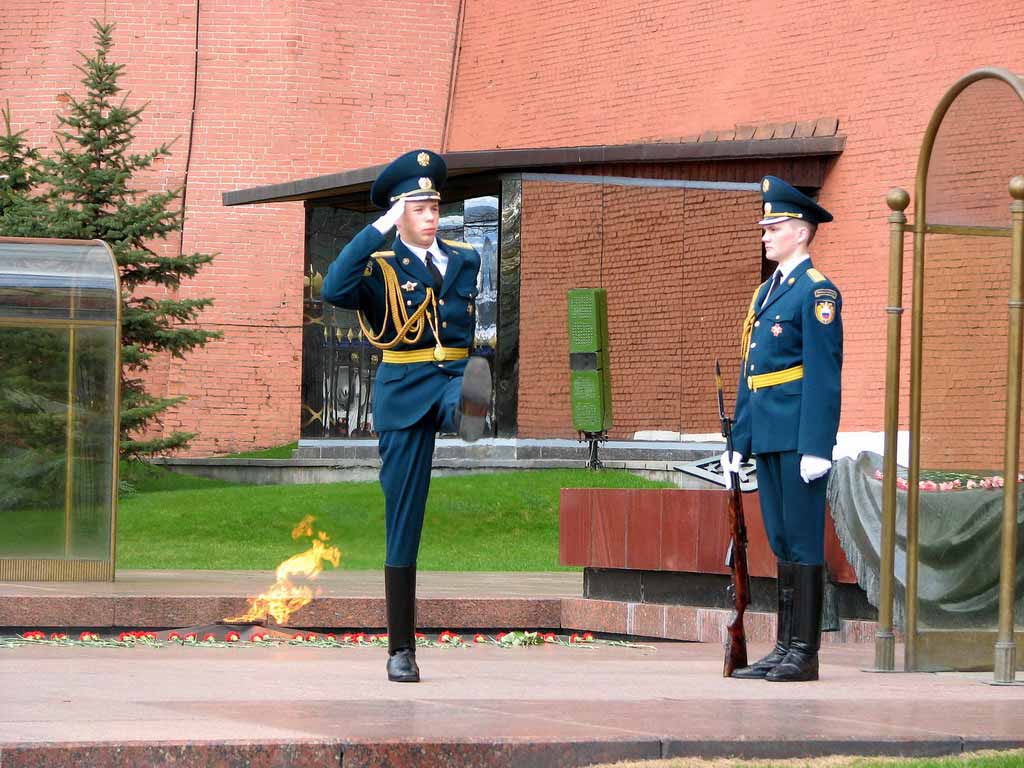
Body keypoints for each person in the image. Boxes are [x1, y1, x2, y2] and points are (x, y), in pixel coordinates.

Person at [321, 149, 490, 683]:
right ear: (399, 213)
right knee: (403, 521)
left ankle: (468, 409)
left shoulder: (466, 258)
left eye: (434, 205)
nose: (431, 214)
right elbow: (333, 288)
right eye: (418, 207)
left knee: (465, 385)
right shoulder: (380, 268)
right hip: (402, 389)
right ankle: (401, 650)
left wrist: (464, 379)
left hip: (450, 379)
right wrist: (379, 230)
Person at [721, 175, 842, 682]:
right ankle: (783, 647)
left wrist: (817, 445)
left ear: (801, 232)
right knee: (779, 540)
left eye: (774, 227)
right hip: (768, 435)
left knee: (803, 540)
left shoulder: (818, 293)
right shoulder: (765, 293)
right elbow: (753, 375)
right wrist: (738, 442)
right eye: (765, 227)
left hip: (797, 437)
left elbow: (823, 374)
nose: (765, 235)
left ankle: (805, 653)